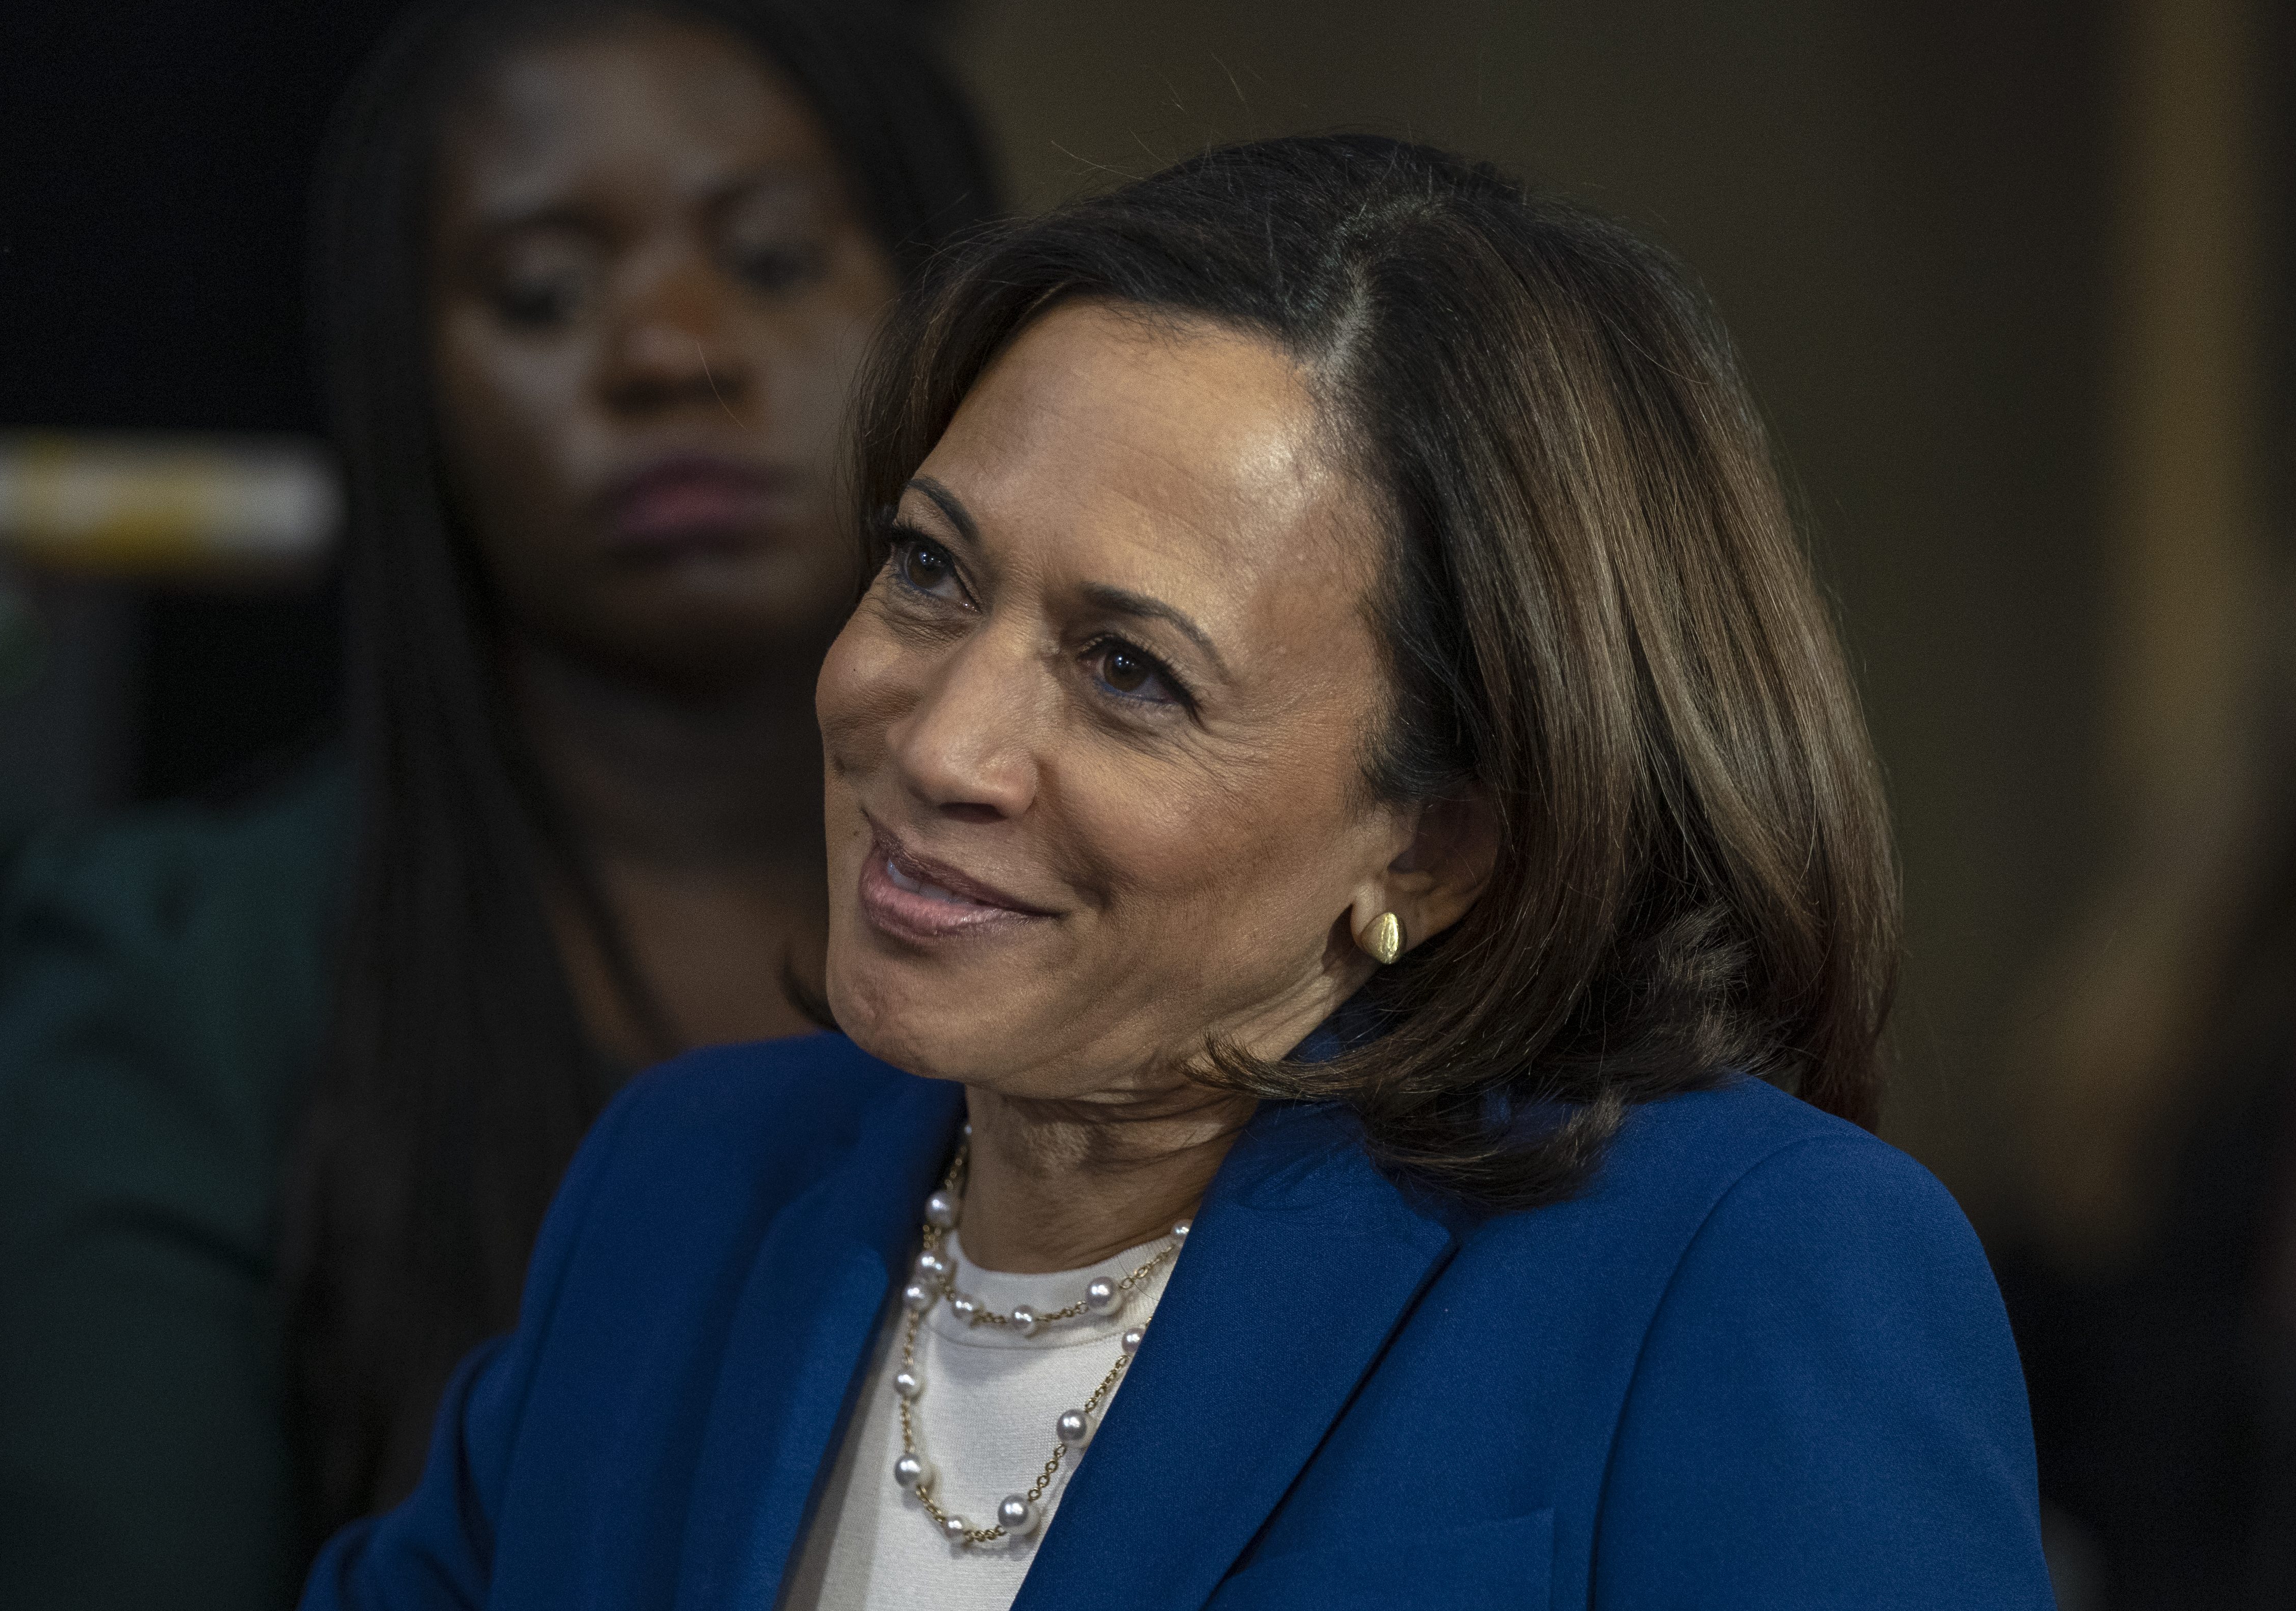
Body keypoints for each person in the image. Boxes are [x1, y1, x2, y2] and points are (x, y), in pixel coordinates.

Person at [303, 136, 2056, 1610]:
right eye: (928, 570)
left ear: (1439, 844)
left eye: (1128, 671)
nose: (938, 744)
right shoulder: (683, 1193)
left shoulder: (1740, 1264)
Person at [0, 0, 993, 1608]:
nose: (668, 353)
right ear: (406, 386)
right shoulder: (186, 974)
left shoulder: (1137, 921)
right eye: (544, 294)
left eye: (775, 260)